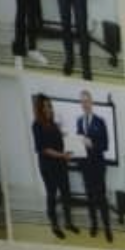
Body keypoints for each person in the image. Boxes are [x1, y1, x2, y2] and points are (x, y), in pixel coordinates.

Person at [31, 93, 76, 238]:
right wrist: (62, 155)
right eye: (45, 106)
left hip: (61, 164)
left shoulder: (54, 124)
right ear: (40, 109)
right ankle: (55, 225)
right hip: (48, 166)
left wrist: (67, 149)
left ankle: (68, 223)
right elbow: (44, 149)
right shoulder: (36, 125)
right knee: (52, 195)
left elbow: (60, 144)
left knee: (66, 194)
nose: (49, 109)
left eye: (50, 106)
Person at [74, 87, 112, 242]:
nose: (85, 104)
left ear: (91, 102)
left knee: (101, 198)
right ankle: (94, 225)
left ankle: (107, 228)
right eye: (82, 102)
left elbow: (105, 145)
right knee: (89, 198)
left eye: (87, 101)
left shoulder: (100, 121)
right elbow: (78, 143)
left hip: (98, 166)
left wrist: (92, 144)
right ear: (80, 104)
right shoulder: (78, 121)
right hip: (85, 167)